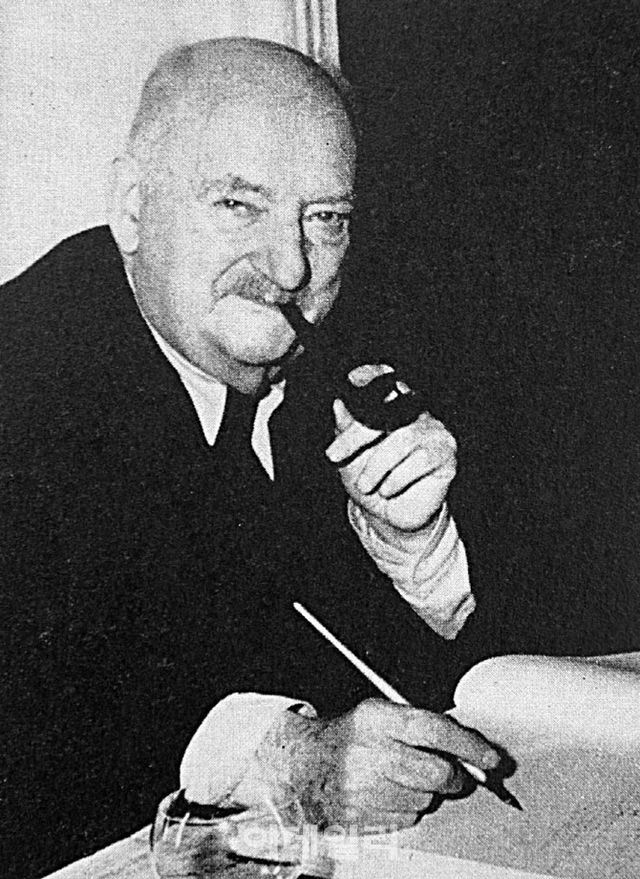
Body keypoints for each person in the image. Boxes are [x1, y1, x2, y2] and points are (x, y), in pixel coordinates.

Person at [0, 38, 498, 878]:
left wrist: (416, 552)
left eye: (325, 217)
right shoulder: (25, 378)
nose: (291, 265)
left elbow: (459, 680)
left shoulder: (356, 362)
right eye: (239, 204)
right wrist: (278, 766)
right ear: (132, 208)